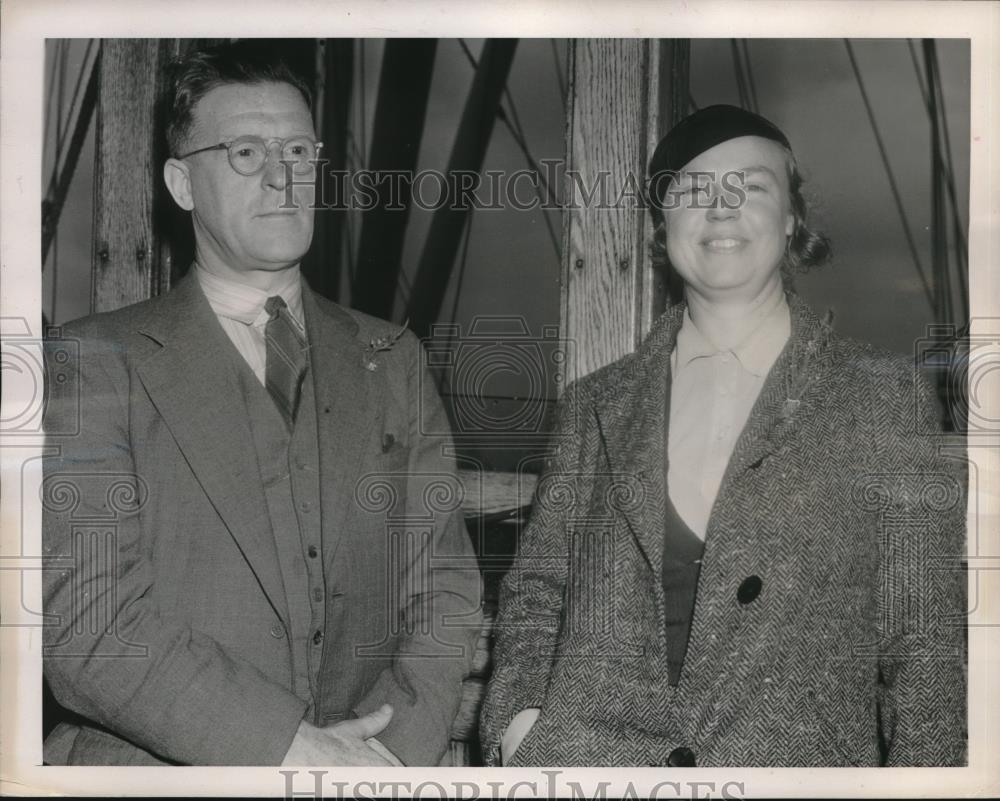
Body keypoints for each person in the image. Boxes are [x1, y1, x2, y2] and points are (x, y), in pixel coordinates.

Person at [480, 104, 966, 767]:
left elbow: (925, 650)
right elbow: (538, 591)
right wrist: (519, 727)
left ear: (793, 219)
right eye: (692, 191)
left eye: (751, 186)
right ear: (662, 225)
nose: (720, 208)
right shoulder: (594, 405)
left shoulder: (885, 404)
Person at [42, 40, 481, 766]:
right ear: (181, 185)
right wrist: (288, 748)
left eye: (300, 152)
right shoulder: (88, 365)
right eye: (247, 152)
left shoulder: (392, 360)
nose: (283, 177)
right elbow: (89, 624)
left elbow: (443, 585)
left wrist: (391, 756)